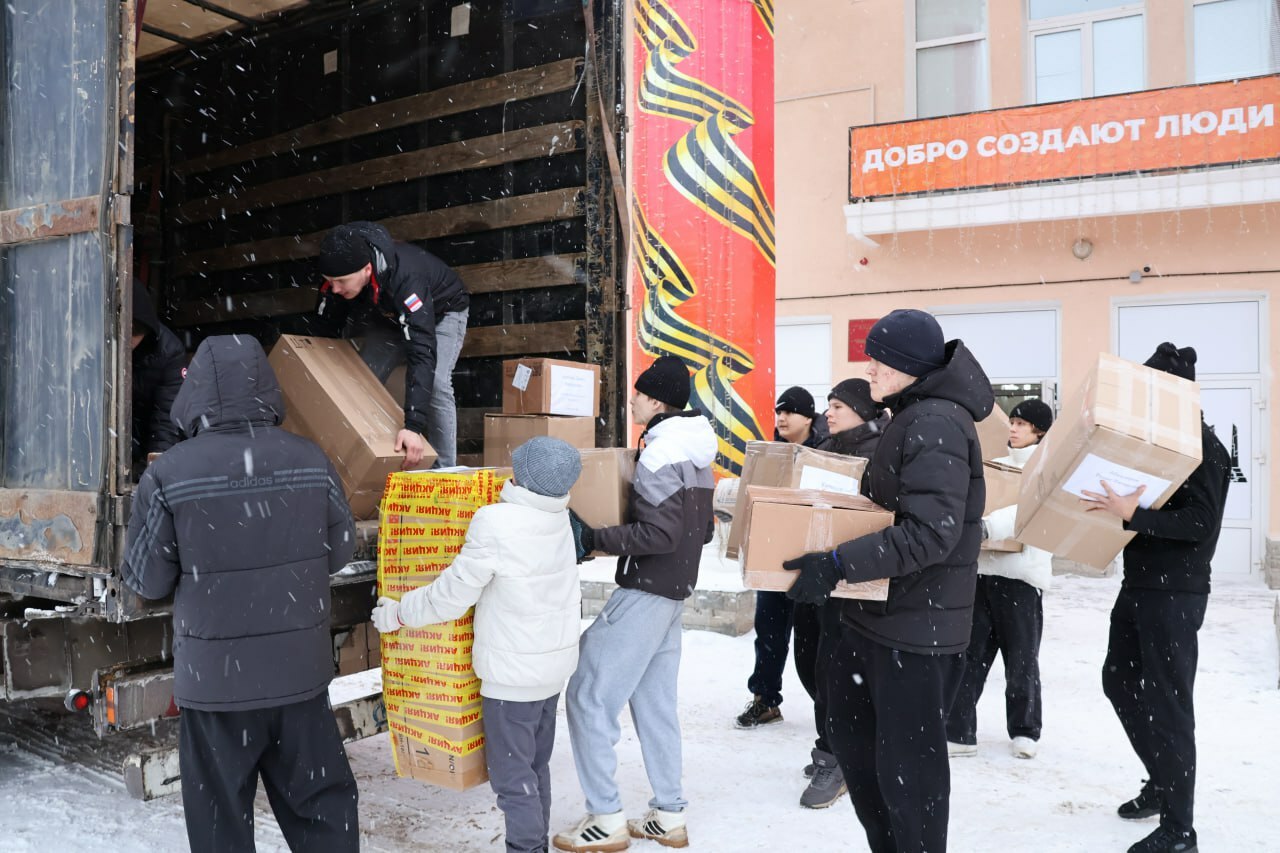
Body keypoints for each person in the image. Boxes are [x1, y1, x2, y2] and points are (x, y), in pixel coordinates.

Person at [119, 335, 358, 853]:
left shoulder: (168, 473)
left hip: (216, 686)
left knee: (220, 821)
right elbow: (340, 553)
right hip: (300, 678)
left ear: (196, 391)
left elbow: (147, 580)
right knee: (323, 809)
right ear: (266, 389)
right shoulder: (310, 458)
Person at [783, 308, 993, 853]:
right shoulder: (911, 415)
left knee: (908, 779)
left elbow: (931, 533)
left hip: (914, 632)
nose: (869, 370)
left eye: (878, 361)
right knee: (864, 757)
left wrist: (838, 563)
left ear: (907, 367)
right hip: (879, 617)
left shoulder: (936, 422)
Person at [371, 437, 584, 853]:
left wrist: (398, 613)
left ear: (524, 477)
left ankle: (526, 849)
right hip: (548, 672)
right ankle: (533, 844)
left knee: (512, 780)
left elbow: (450, 596)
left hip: (511, 679)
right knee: (533, 769)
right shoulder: (558, 517)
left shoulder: (497, 521)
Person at [553, 355, 717, 852]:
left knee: (587, 693)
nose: (632, 400)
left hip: (646, 591)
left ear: (656, 400)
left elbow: (660, 533)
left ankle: (605, 817)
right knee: (654, 704)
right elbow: (701, 530)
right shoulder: (698, 451)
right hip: (672, 593)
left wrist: (594, 536)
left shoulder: (661, 451)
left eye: (638, 394)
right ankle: (667, 815)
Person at [1083, 343, 1230, 853]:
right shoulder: (1158, 445)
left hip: (1177, 594)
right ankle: (1161, 781)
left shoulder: (1204, 447)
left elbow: (1199, 523)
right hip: (1139, 585)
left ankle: (1179, 829)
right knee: (1118, 681)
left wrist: (1133, 513)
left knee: (1169, 705)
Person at [792, 378, 890, 810]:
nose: (828, 412)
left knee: (838, 673)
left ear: (863, 412)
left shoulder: (880, 454)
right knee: (815, 665)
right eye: (828, 405)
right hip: (819, 577)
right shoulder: (829, 450)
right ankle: (834, 748)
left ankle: (837, 757)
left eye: (837, 406)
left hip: (854, 582)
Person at [946, 398, 1054, 760]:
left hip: (1022, 577)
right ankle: (959, 731)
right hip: (982, 571)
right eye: (1013, 421)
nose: (1014, 428)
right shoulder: (995, 467)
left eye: (1022, 424)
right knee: (968, 655)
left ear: (1039, 430)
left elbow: (1030, 509)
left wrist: (989, 525)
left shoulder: (1048, 469)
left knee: (1022, 659)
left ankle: (1025, 730)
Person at [316, 220, 470, 468]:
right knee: (363, 376)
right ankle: (363, 460)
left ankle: (445, 470)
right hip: (388, 315)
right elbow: (325, 327)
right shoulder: (338, 275)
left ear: (367, 270)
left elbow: (422, 351)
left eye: (341, 281)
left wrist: (413, 427)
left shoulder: (407, 280)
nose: (333, 288)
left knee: (437, 383)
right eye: (328, 281)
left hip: (442, 311)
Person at [736, 387, 827, 732]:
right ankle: (765, 701)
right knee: (769, 633)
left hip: (813, 561)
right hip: (775, 556)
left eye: (790, 412)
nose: (782, 418)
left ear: (809, 416)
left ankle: (829, 708)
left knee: (813, 642)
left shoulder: (828, 452)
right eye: (779, 412)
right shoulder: (770, 454)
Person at [130, 278, 186, 477]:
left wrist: (155, 470)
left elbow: (166, 419)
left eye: (135, 331)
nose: (130, 340)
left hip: (143, 438)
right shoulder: (92, 343)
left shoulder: (169, 352)